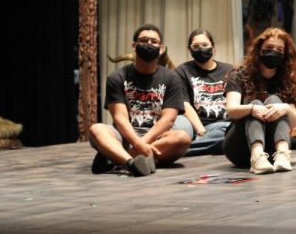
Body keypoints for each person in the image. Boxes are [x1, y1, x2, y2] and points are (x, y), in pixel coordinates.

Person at [88, 24, 191, 176]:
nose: (149, 44)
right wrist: (137, 143)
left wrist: (142, 144)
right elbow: (120, 118)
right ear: (134, 46)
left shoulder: (172, 78)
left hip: (156, 137)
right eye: (144, 40)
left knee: (182, 138)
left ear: (161, 49)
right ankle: (132, 163)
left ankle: (117, 158)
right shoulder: (117, 77)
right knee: (96, 129)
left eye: (154, 41)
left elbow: (168, 119)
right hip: (124, 135)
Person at [223, 28, 296, 174]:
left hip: (271, 149)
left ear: (285, 54)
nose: (274, 52)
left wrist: (286, 108)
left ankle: (282, 154)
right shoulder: (239, 74)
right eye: (269, 48)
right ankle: (256, 156)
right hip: (240, 145)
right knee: (255, 103)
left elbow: (295, 123)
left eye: (279, 49)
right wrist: (251, 109)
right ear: (259, 50)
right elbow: (231, 110)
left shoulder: (288, 79)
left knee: (276, 101)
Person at [173, 29, 234, 156]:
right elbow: (185, 104)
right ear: (189, 49)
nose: (201, 49)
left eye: (205, 45)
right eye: (195, 46)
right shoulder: (182, 71)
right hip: (195, 126)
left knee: (227, 133)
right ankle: (205, 143)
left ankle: (178, 150)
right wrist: (201, 131)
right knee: (179, 126)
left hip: (223, 125)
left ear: (213, 47)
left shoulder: (230, 70)